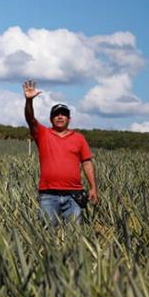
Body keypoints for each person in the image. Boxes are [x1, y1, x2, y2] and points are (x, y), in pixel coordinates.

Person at [23, 80, 98, 225]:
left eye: (64, 114)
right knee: (47, 235)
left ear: (69, 119)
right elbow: (30, 120)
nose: (60, 116)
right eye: (56, 114)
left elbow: (87, 163)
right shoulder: (43, 134)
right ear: (51, 119)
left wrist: (93, 188)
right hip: (48, 195)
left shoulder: (79, 138)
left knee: (75, 236)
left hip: (74, 195)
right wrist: (29, 102)